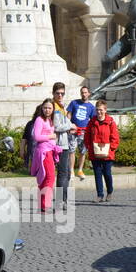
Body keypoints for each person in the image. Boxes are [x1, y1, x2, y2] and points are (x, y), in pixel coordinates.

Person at [26, 99, 59, 213]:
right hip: (44, 152)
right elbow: (37, 137)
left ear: (53, 109)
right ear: (42, 108)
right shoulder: (39, 120)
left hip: (50, 150)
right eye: (45, 107)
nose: (47, 110)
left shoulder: (51, 120)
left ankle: (42, 205)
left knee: (45, 178)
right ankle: (46, 205)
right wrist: (50, 136)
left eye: (50, 108)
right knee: (50, 177)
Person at [84, 98, 119, 202]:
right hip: (95, 153)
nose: (99, 112)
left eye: (101, 110)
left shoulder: (110, 122)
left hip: (108, 153)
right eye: (97, 110)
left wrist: (110, 148)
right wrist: (89, 147)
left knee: (107, 173)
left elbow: (115, 137)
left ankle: (110, 191)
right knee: (97, 174)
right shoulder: (92, 122)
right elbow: (87, 136)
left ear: (105, 110)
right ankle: (100, 195)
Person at [50, 83, 73, 212]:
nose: (60, 95)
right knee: (62, 174)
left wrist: (73, 126)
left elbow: (65, 123)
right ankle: (60, 202)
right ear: (53, 93)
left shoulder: (61, 107)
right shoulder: (54, 107)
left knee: (67, 173)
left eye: (62, 93)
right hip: (58, 145)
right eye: (58, 93)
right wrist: (70, 127)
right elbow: (57, 127)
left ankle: (63, 200)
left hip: (65, 143)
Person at [67, 84, 97, 180]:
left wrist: (91, 132)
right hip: (73, 131)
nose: (84, 94)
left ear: (89, 94)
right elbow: (69, 115)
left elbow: (93, 120)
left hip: (84, 132)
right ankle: (71, 170)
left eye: (85, 92)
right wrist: (69, 126)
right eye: (82, 92)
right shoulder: (74, 103)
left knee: (83, 152)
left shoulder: (91, 107)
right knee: (71, 151)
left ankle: (80, 170)